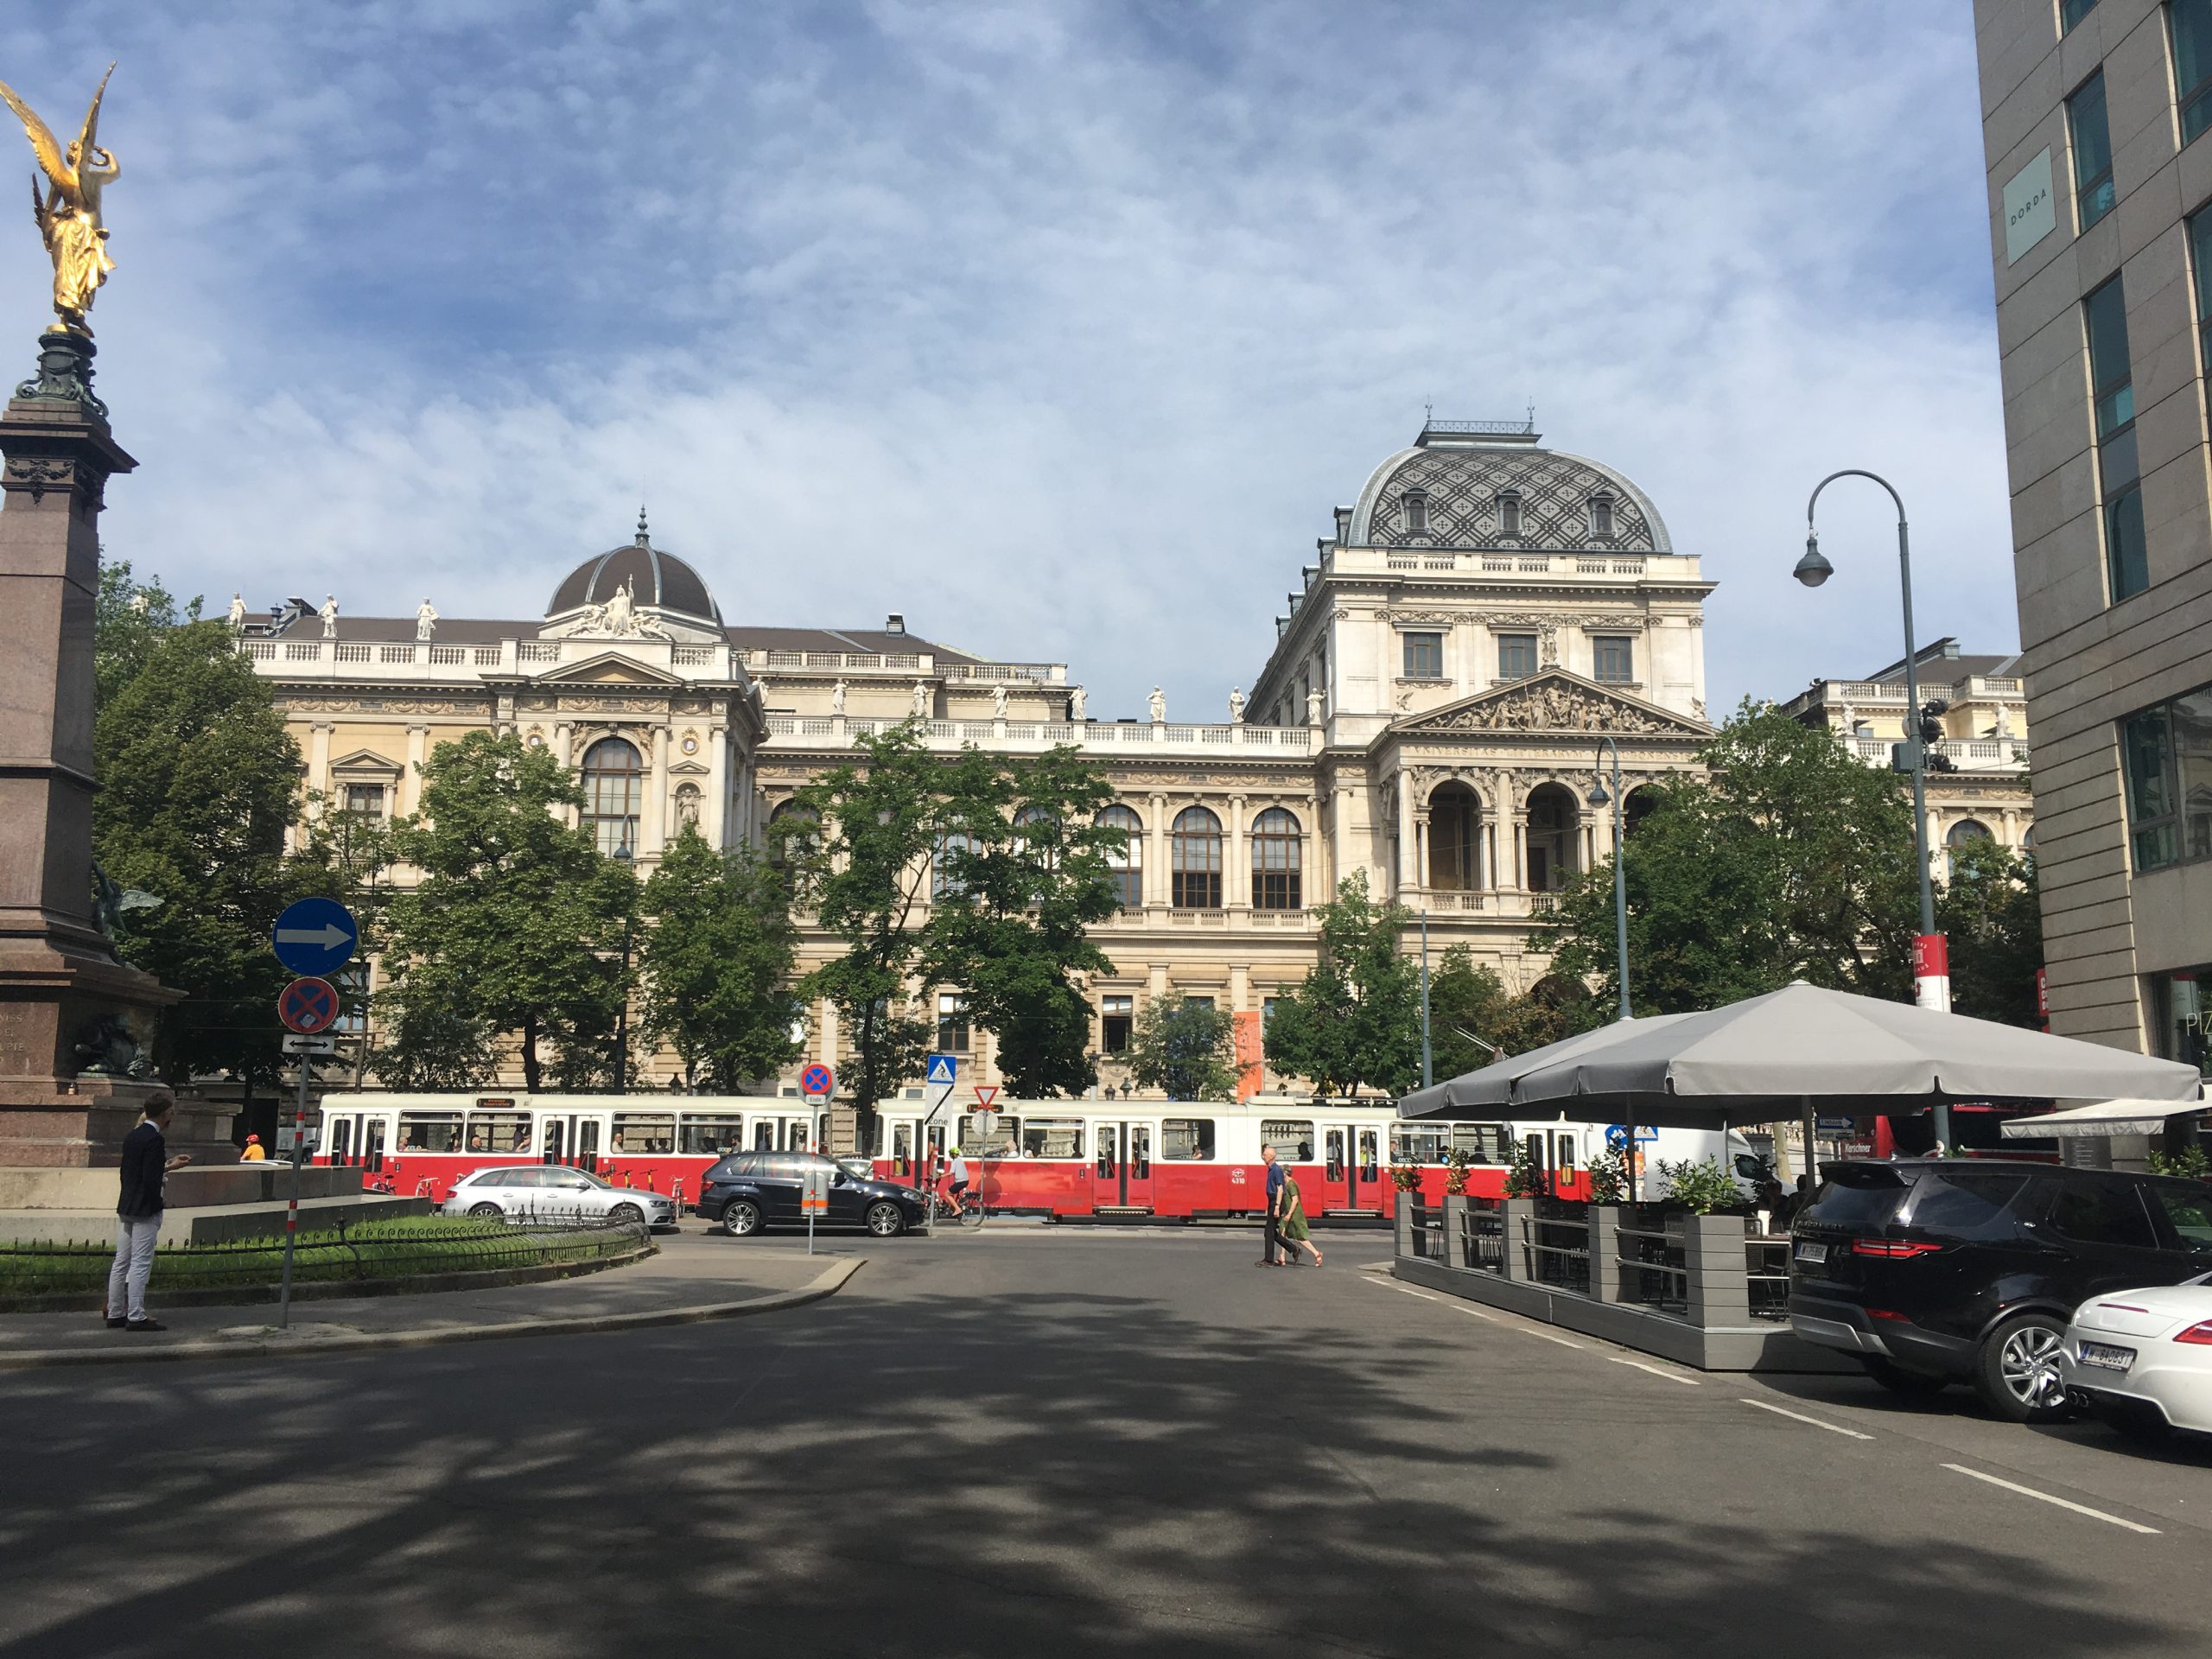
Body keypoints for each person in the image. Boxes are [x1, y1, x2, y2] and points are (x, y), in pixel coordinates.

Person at [107, 1092, 188, 1332]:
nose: (172, 1115)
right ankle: (136, 1315)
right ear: (164, 1114)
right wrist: (158, 1201)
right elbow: (152, 1178)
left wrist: (167, 1166)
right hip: (145, 1208)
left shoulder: (133, 1135)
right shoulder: (155, 1139)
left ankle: (115, 1312)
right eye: (171, 1111)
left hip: (128, 1204)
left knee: (121, 1261)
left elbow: (131, 1171)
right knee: (140, 1263)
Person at [1279, 1168, 1324, 1267]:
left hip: (1294, 1215)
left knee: (1299, 1237)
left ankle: (1317, 1254)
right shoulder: (1285, 1184)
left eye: (1281, 1172)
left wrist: (1290, 1214)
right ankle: (1281, 1258)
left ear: (1285, 1173)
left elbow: (1295, 1200)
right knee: (1282, 1234)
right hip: (1287, 1214)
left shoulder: (1291, 1185)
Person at [1256, 1145, 1291, 1267]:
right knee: (1270, 1231)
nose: (1263, 1157)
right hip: (1273, 1201)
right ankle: (1294, 1250)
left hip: (1277, 1202)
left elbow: (1280, 1188)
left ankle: (1268, 1260)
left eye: (1264, 1155)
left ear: (1270, 1157)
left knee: (1268, 1231)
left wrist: (1276, 1206)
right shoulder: (1272, 1169)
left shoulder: (1276, 1170)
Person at [945, 1146, 971, 1217]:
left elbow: (951, 1172)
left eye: (951, 1154)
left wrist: (941, 1176)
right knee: (952, 1192)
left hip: (961, 1182)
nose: (950, 1155)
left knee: (947, 1194)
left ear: (953, 1154)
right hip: (965, 1181)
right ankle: (953, 1208)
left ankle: (957, 1209)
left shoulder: (955, 1161)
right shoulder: (960, 1160)